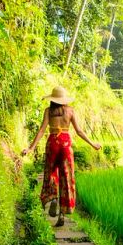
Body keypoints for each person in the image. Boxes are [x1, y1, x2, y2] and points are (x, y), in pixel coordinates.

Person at [21, 86, 101, 226]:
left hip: (52, 143)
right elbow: (79, 131)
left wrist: (31, 148)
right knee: (66, 177)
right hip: (65, 145)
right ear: (64, 99)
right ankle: (62, 215)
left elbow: (41, 131)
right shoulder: (70, 111)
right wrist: (92, 144)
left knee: (50, 174)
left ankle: (53, 199)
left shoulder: (48, 111)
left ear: (52, 99)